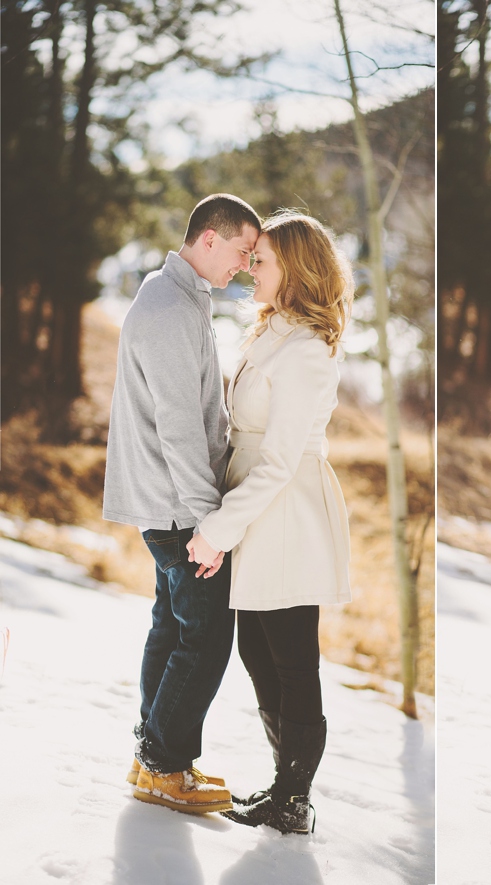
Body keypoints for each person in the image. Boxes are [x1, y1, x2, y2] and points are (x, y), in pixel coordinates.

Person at [186, 209, 354, 835]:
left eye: (264, 259)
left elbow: (280, 460)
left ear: (295, 269)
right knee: (258, 653)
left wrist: (218, 530)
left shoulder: (309, 349)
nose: (251, 268)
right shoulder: (269, 332)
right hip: (253, 505)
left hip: (286, 513)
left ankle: (295, 800)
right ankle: (285, 784)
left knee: (290, 661)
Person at [104, 193, 261, 813]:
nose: (245, 266)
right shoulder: (170, 309)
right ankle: (164, 764)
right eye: (243, 252)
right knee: (206, 636)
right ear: (209, 241)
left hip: (169, 506)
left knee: (172, 628)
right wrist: (209, 524)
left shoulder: (176, 297)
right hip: (178, 510)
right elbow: (177, 426)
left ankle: (155, 758)